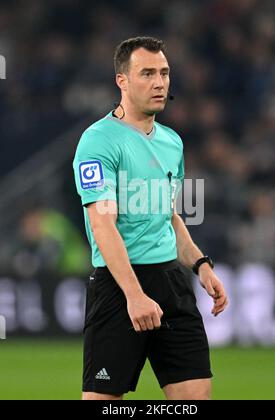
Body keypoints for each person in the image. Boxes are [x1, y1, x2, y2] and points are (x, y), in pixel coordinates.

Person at [73, 36, 228, 401]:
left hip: (172, 282)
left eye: (164, 73)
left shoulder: (171, 141)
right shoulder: (97, 142)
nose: (159, 83)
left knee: (196, 397)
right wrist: (134, 294)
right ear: (122, 81)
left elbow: (168, 215)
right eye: (147, 73)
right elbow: (102, 224)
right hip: (119, 286)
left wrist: (200, 264)